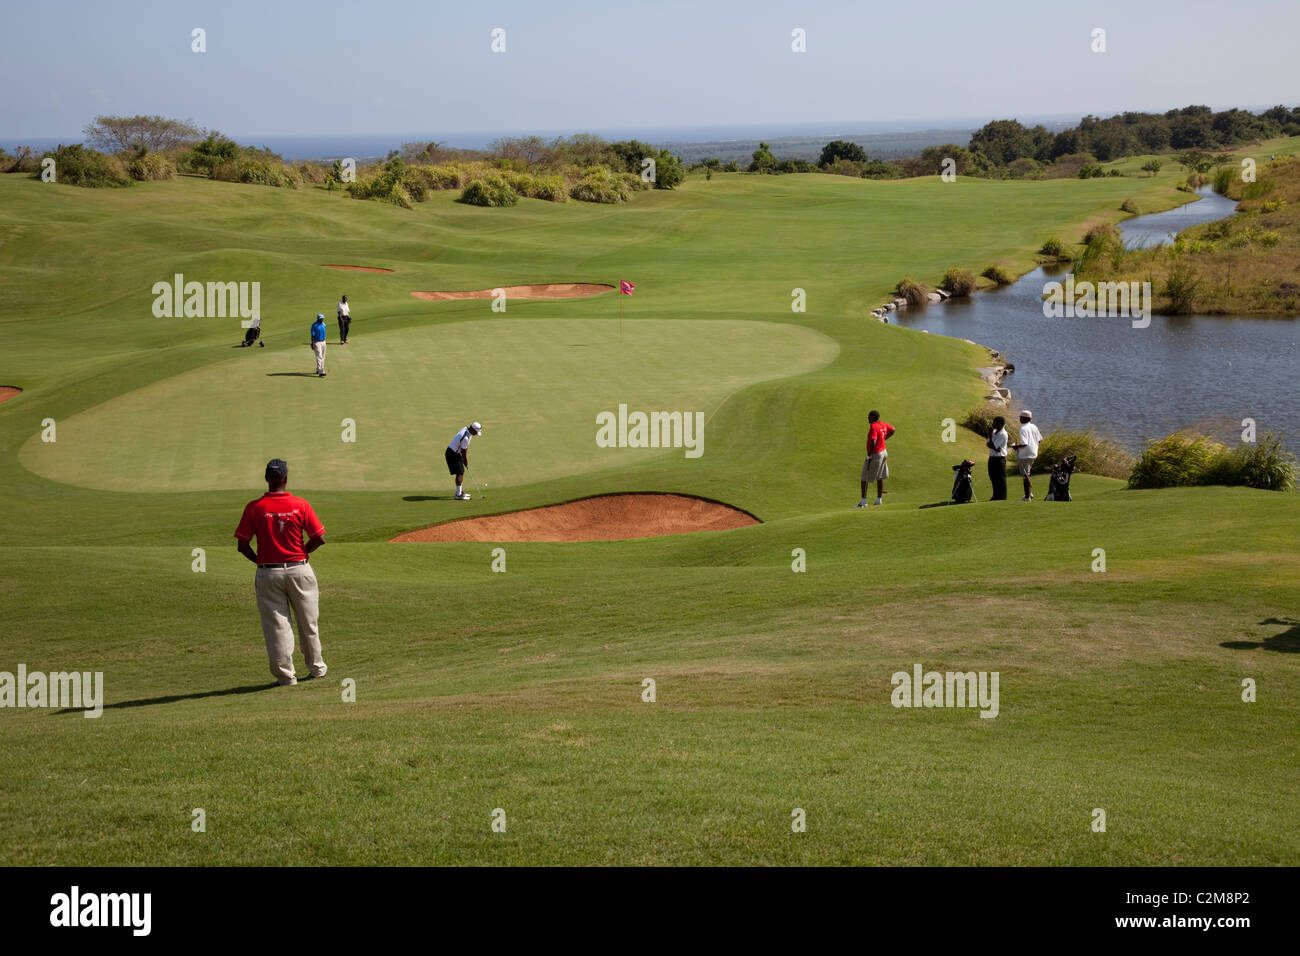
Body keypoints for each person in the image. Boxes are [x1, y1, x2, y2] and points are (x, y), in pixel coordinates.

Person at [234, 458, 327, 686]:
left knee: (277, 627)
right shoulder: (301, 504)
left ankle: (286, 678)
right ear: (285, 478)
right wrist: (303, 553)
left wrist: (260, 561)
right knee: (309, 622)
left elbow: (242, 545)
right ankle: (317, 669)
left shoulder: (254, 508)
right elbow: (319, 538)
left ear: (267, 478)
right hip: (299, 570)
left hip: (268, 573)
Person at [858, 410, 895, 508]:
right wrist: (883, 439)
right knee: (880, 477)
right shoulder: (882, 424)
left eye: (869, 416)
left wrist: (869, 455)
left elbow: (873, 441)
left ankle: (863, 502)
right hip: (883, 452)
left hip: (876, 454)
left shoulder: (873, 427)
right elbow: (892, 429)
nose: (868, 418)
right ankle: (879, 500)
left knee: (864, 477)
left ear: (873, 417)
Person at [1010, 409, 1043, 501]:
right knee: (1027, 474)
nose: (1019, 419)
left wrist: (1015, 447)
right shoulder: (1034, 426)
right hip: (1033, 453)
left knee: (1025, 475)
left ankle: (1027, 496)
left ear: (1024, 418)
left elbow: (1024, 443)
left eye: (1020, 417)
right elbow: (1039, 439)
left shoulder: (1023, 428)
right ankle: (1029, 493)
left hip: (1025, 454)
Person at [446, 422, 483, 500]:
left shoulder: (466, 429)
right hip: (452, 454)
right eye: (476, 432)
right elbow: (464, 452)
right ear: (473, 429)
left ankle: (460, 492)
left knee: (461, 471)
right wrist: (465, 461)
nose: (476, 434)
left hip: (454, 452)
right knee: (460, 472)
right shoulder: (465, 438)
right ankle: (458, 495)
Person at [986, 415, 1008, 501]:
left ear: (1000, 424)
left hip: (999, 459)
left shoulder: (1003, 434)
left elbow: (995, 447)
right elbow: (988, 444)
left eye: (994, 422)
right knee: (993, 477)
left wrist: (990, 437)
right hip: (992, 458)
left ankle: (1002, 497)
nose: (993, 424)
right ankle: (996, 496)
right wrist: (991, 440)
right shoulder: (994, 432)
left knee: (1000, 479)